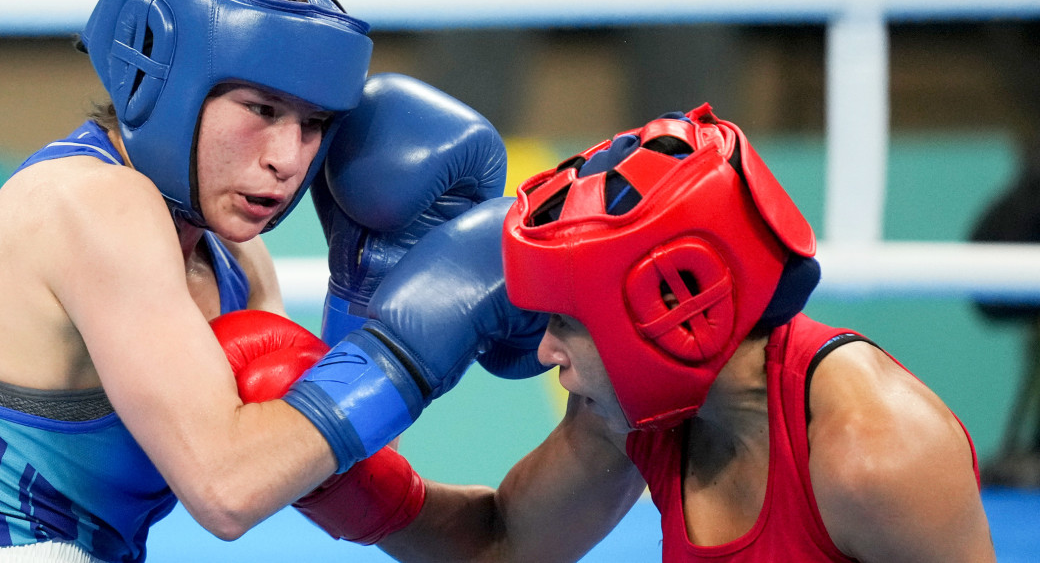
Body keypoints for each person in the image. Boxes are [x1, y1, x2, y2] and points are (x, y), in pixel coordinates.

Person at [0, 0, 511, 560]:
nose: (288, 159)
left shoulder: (237, 262)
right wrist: (411, 341)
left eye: (314, 124)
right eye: (261, 109)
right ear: (165, 85)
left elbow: (313, 464)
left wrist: (361, 302)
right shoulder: (89, 203)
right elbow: (227, 489)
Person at [272, 104, 998, 561]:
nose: (544, 350)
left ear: (666, 313)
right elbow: (503, 545)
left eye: (563, 322)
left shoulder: (879, 458)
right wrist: (343, 478)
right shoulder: (643, 407)